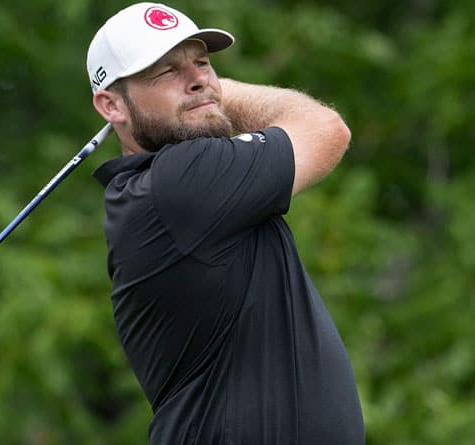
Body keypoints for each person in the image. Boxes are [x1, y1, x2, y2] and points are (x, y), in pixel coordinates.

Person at [87, 3, 364, 443]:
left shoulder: (165, 190)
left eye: (202, 63)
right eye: (166, 71)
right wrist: (216, 93)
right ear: (111, 105)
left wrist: (200, 95)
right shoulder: (179, 181)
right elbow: (326, 128)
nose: (198, 78)